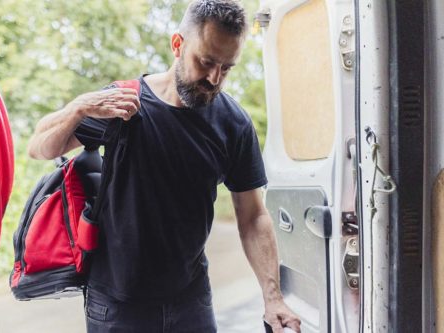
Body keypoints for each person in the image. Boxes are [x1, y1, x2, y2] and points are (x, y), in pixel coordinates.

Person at [27, 0, 301, 332]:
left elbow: (253, 215)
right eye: (206, 61)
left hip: (190, 299)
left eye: (227, 68)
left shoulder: (234, 124)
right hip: (116, 302)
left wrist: (272, 298)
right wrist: (79, 108)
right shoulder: (123, 103)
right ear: (177, 45)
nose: (215, 78)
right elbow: (40, 147)